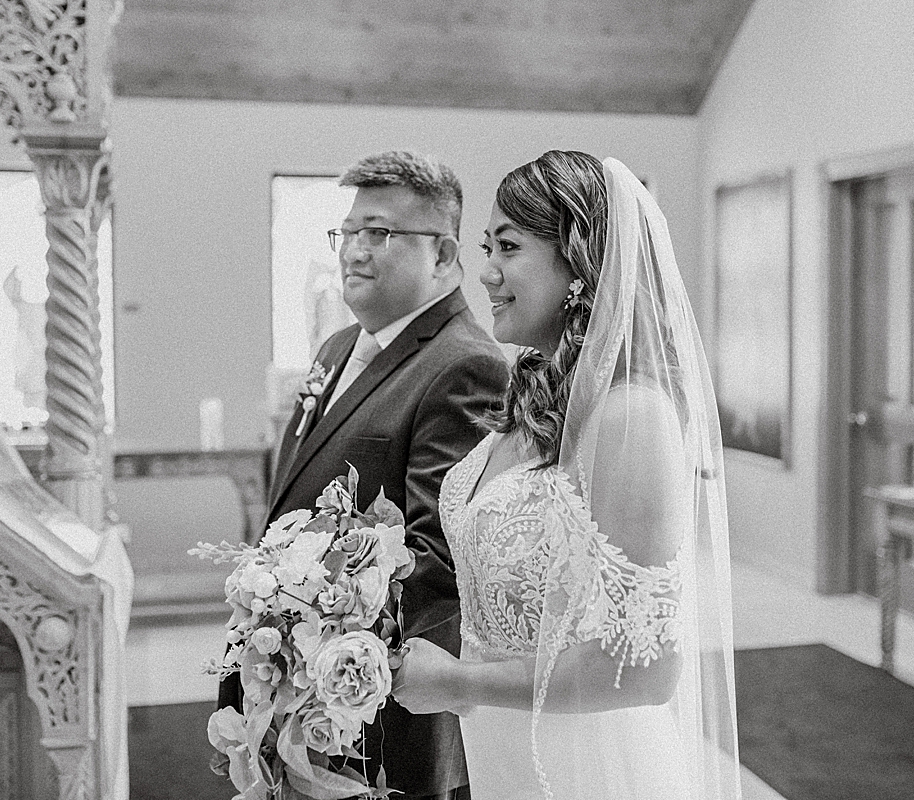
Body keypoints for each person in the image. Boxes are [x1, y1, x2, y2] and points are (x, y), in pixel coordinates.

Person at [392, 151, 741, 800]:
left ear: (578, 265)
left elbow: (644, 672)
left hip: (587, 765)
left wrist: (458, 683)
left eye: (509, 247)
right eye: (486, 247)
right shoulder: (536, 389)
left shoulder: (632, 415)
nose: (486, 274)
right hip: (504, 750)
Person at [218, 150, 509, 800]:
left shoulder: (465, 365)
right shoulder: (336, 346)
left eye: (376, 233)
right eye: (345, 233)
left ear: (440, 253)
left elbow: (439, 554)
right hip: (292, 673)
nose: (352, 250)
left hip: (374, 707)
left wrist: (312, 622)